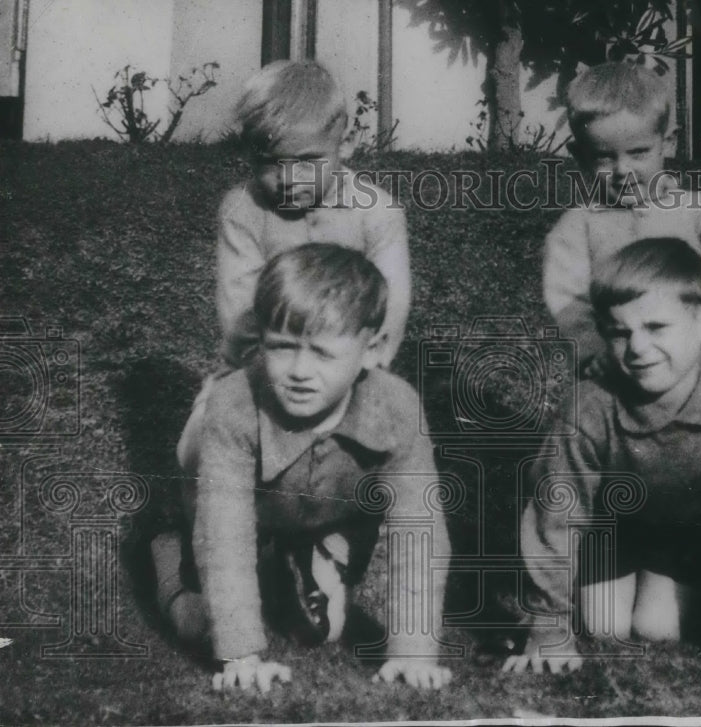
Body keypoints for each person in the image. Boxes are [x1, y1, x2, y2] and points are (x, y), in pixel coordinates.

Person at [505, 238, 701, 678]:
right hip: (610, 532)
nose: (637, 348)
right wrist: (547, 627)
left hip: (685, 535)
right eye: (619, 332)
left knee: (657, 628)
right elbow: (555, 519)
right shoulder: (589, 407)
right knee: (606, 627)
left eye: (656, 327)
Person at [151, 244, 452, 693]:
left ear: (373, 349)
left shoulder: (397, 407)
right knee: (201, 627)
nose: (298, 371)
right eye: (282, 347)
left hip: (327, 514)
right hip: (243, 517)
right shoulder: (234, 402)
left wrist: (413, 650)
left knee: (321, 629)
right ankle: (169, 555)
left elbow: (419, 525)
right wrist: (241, 655)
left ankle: (304, 555)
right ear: (260, 339)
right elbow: (224, 529)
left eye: (322, 354)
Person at [176, 59, 410, 471]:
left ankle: (343, 528)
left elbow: (389, 311)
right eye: (269, 161)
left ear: (347, 142)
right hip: (261, 369)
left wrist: (351, 373)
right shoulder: (244, 210)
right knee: (197, 449)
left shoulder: (376, 212)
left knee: (387, 443)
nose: (288, 179)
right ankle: (216, 527)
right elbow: (240, 313)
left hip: (350, 372)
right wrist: (278, 387)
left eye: (307, 160)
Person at [543, 61, 701, 374]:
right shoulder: (577, 227)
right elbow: (568, 302)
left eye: (639, 152)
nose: (622, 171)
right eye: (604, 157)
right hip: (616, 364)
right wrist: (593, 352)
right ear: (579, 156)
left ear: (667, 143)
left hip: (697, 361)